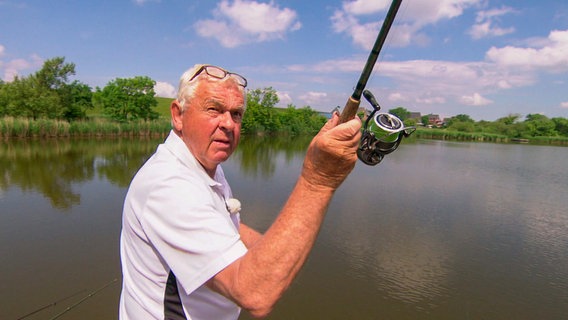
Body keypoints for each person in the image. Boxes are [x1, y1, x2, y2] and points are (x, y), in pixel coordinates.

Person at [119, 64, 362, 319]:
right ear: (178, 115)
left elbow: (226, 223)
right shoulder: (167, 185)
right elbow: (255, 293)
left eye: (236, 114)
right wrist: (319, 180)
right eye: (214, 109)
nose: (228, 123)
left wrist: (280, 253)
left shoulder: (204, 163)